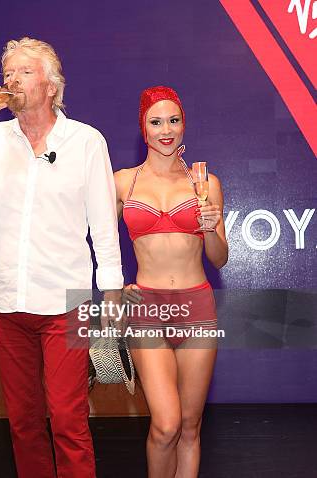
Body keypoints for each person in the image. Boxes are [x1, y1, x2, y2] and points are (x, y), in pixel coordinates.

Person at [0, 37, 124, 478]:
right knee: (23, 423)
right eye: (7, 73)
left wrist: (112, 293)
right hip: (7, 305)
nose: (11, 80)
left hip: (66, 304)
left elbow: (103, 223)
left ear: (51, 85)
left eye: (23, 71)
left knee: (67, 418)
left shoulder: (85, 141)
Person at [114, 86, 228, 477]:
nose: (166, 130)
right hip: (147, 308)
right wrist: (115, 285)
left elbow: (220, 257)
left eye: (174, 120)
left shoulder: (205, 184)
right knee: (166, 425)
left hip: (197, 307)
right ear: (142, 129)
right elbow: (91, 237)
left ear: (184, 125)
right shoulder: (123, 183)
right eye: (156, 121)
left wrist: (211, 228)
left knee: (190, 428)